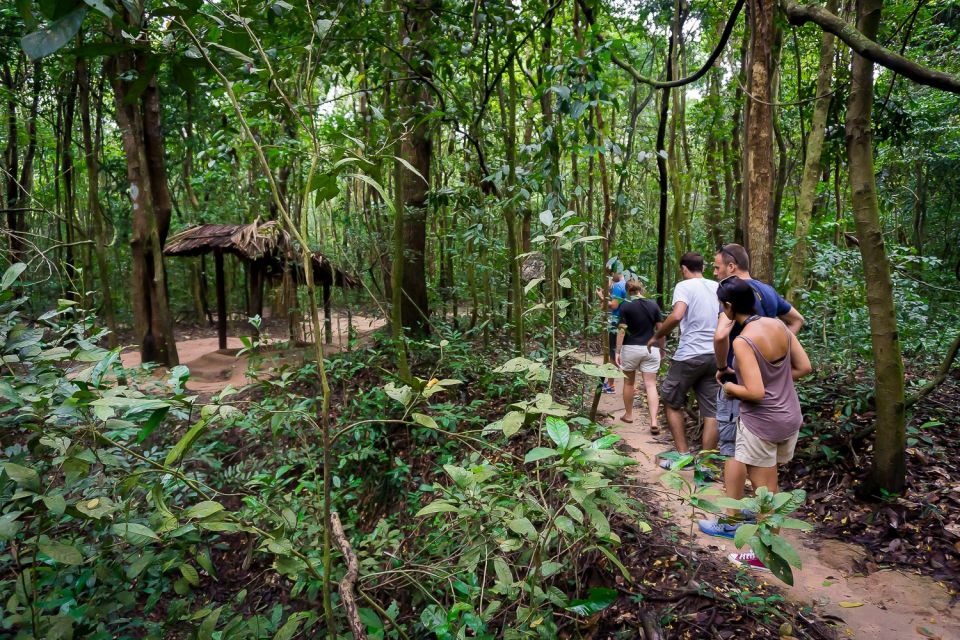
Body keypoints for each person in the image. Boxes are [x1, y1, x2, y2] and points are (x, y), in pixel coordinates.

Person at [700, 277, 812, 572]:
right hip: (789, 415)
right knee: (770, 485)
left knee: (765, 491)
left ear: (727, 306)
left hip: (761, 421)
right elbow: (803, 367)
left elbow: (755, 392)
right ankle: (767, 548)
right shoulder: (777, 325)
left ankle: (766, 555)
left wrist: (730, 387)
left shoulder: (743, 339)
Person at [646, 252, 720, 467]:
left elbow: (677, 315)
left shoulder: (684, 286)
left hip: (690, 354)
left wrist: (658, 336)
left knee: (671, 401)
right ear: (703, 267)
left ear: (684, 269)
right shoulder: (717, 287)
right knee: (711, 412)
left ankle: (683, 456)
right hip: (715, 354)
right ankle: (706, 465)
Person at [615, 280, 663, 431]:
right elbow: (660, 329)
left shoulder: (626, 306)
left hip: (631, 348)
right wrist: (662, 348)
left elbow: (622, 330)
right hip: (651, 348)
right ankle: (654, 421)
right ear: (641, 289)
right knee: (650, 384)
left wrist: (617, 351)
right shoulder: (653, 304)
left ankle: (628, 415)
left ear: (627, 290)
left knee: (629, 382)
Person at [596, 268, 627, 394]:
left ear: (616, 273)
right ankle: (627, 385)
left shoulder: (619, 286)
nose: (609, 277)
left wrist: (602, 297)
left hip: (617, 322)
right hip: (626, 322)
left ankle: (610, 385)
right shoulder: (627, 284)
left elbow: (614, 305)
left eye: (610, 274)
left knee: (613, 353)